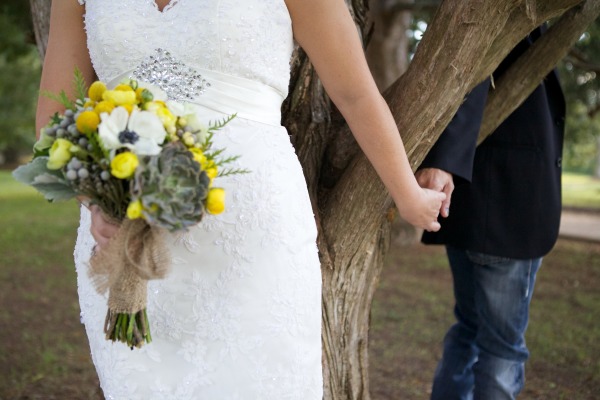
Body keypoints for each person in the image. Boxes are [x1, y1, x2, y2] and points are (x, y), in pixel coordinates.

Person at [37, 0, 445, 398]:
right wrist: (95, 201)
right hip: (126, 241)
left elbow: (354, 92)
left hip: (254, 237)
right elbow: (54, 117)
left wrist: (408, 195)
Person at [416, 26, 565, 400]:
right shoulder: (502, 18)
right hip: (507, 208)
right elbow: (470, 81)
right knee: (501, 346)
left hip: (472, 205)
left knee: (469, 329)